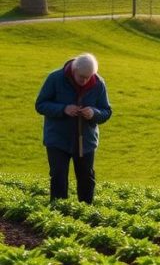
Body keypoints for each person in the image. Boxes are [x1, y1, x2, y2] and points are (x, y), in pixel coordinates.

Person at [35, 53, 112, 204]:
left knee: (86, 178)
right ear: (74, 69)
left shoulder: (98, 83)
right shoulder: (55, 78)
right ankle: (58, 212)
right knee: (58, 177)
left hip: (86, 142)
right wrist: (63, 109)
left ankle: (85, 213)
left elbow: (106, 111)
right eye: (81, 76)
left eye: (88, 77)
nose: (85, 80)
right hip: (57, 140)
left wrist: (93, 113)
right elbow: (41, 105)